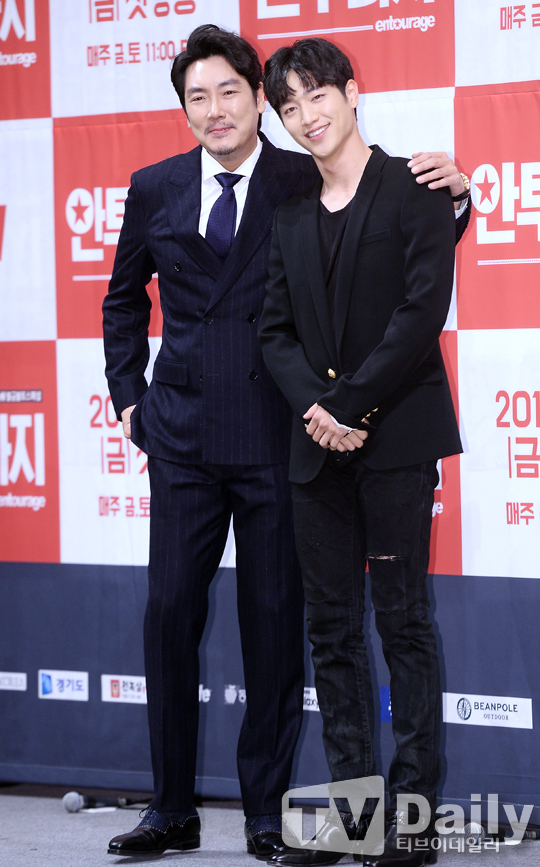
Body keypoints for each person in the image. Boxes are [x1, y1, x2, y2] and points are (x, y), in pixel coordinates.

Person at [102, 24, 470, 860]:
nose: (217, 109)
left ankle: (284, 815)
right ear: (184, 109)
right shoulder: (158, 187)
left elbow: (404, 256)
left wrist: (459, 191)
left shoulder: (302, 174)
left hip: (285, 437)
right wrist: (129, 397)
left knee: (299, 626)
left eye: (231, 91)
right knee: (181, 618)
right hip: (198, 438)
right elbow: (129, 300)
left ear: (258, 102)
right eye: (198, 96)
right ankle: (176, 807)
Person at [259, 38, 466, 867]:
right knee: (333, 633)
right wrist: (318, 413)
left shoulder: (418, 189)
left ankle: (412, 820)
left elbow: (420, 315)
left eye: (317, 95)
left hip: (397, 441)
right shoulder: (289, 216)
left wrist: (347, 406)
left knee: (403, 624)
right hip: (318, 453)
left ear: (352, 91)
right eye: (290, 106)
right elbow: (274, 331)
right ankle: (355, 819)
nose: (307, 116)